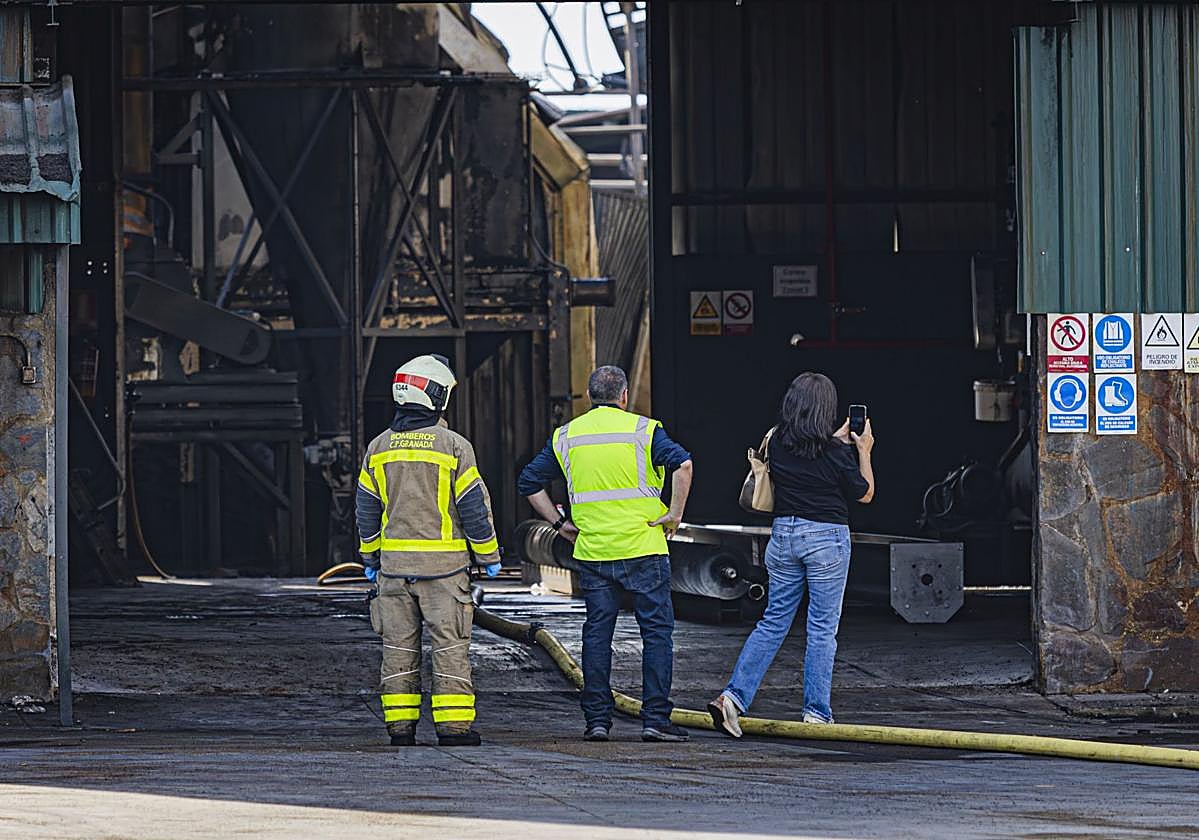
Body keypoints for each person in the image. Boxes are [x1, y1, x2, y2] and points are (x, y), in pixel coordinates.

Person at [519, 365, 694, 743]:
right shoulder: (644, 431)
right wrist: (674, 515)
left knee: (597, 635)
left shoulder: (568, 436)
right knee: (657, 635)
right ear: (625, 395)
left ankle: (597, 721)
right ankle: (655, 721)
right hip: (643, 549)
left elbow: (529, 482)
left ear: (589, 396)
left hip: (594, 551)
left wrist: (557, 523)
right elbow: (683, 465)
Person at [708, 372, 874, 737]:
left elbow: (805, 453)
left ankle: (732, 699)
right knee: (821, 629)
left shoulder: (777, 441)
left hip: (783, 536)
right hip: (825, 540)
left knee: (773, 621)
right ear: (827, 409)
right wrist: (863, 450)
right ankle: (816, 713)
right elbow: (864, 493)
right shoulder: (837, 453)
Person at [356, 354, 502, 747]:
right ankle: (454, 730)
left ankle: (400, 729)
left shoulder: (378, 447)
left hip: (393, 574)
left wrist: (370, 557)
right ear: (437, 395)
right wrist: (488, 558)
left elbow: (366, 508)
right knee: (450, 649)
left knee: (397, 650)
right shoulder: (453, 446)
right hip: (445, 574)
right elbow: (474, 506)